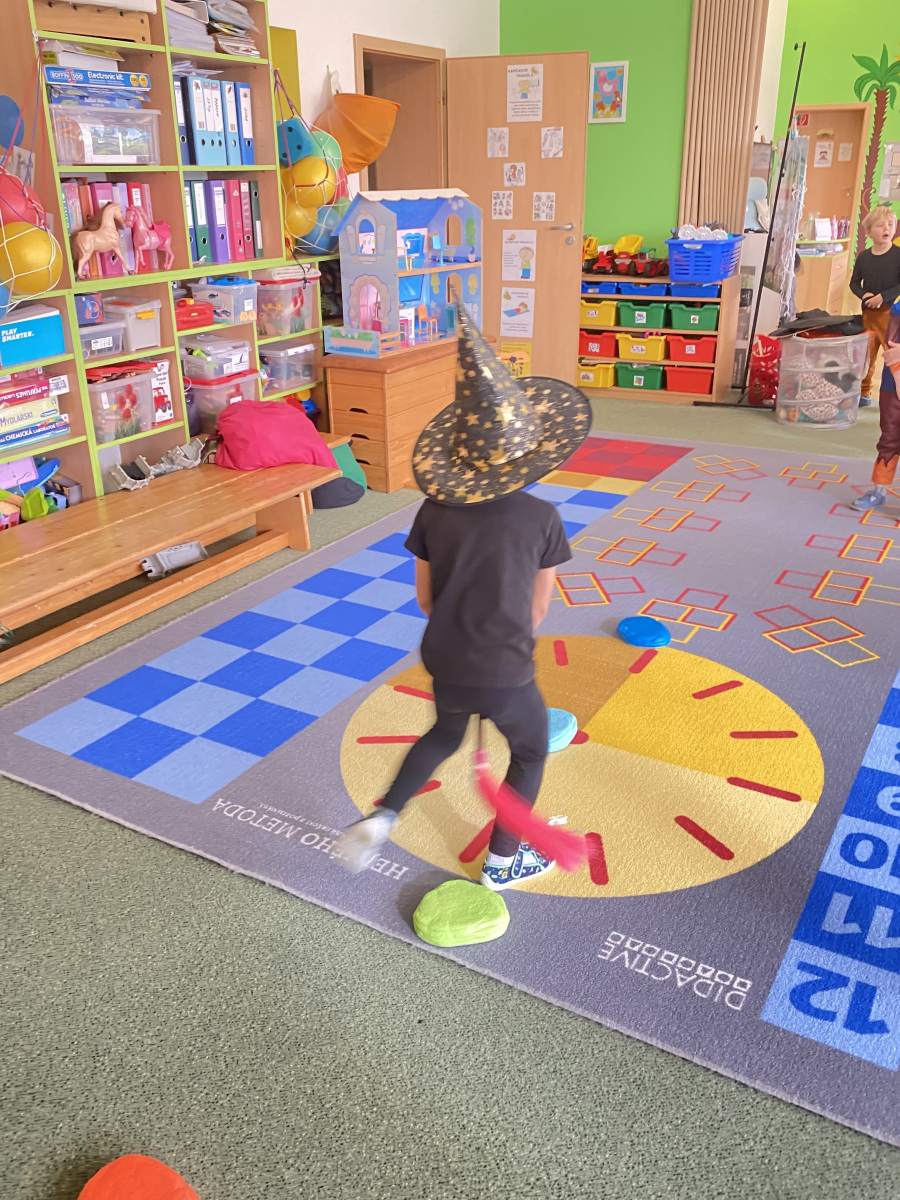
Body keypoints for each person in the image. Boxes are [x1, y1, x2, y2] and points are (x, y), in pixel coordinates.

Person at [334, 307, 591, 890]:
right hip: (504, 667)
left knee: (445, 734)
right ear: (532, 450)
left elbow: (426, 600)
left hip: (445, 657)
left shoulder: (434, 510)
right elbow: (536, 611)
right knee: (530, 752)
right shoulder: (543, 517)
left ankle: (384, 815)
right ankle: (503, 861)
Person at [849, 205, 900, 406]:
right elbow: (854, 283)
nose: (887, 228)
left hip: (891, 316)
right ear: (869, 231)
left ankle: (892, 397)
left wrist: (883, 297)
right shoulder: (864, 256)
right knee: (866, 356)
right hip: (868, 315)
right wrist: (865, 295)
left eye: (891, 224)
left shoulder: (898, 255)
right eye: (880, 225)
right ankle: (864, 393)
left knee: (892, 358)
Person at [852, 308, 900, 511]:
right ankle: (879, 491)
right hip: (893, 384)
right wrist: (897, 373)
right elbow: (891, 343)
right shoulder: (898, 309)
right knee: (889, 437)